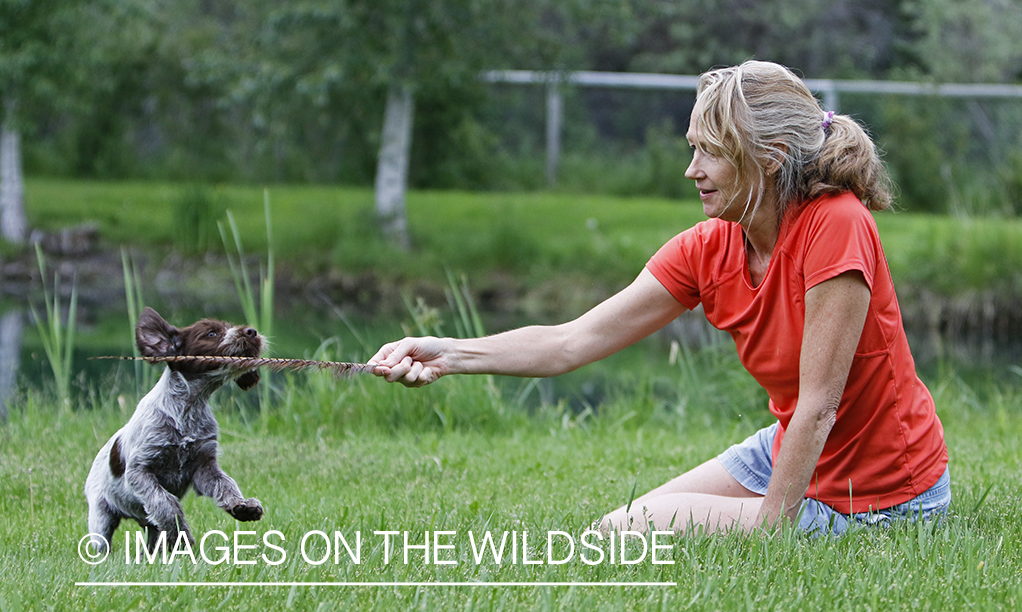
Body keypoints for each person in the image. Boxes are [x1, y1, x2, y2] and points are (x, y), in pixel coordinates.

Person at [368, 60, 949, 536]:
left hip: (881, 497)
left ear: (769, 157)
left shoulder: (836, 225)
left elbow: (821, 403)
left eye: (711, 152)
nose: (691, 170)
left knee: (637, 528)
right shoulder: (711, 246)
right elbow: (572, 341)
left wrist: (775, 525)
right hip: (788, 451)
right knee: (612, 531)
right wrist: (448, 354)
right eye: (693, 148)